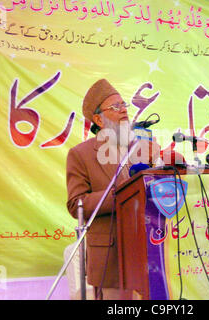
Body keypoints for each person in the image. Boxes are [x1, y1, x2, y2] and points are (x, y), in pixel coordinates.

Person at [66, 79, 160, 299]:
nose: (124, 111)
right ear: (98, 119)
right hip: (113, 257)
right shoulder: (81, 154)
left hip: (151, 249)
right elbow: (75, 204)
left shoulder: (143, 147)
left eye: (124, 105)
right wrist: (121, 195)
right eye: (115, 107)